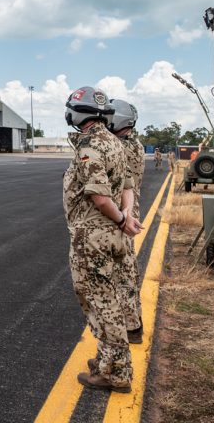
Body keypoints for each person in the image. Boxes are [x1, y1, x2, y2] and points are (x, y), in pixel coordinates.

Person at [63, 86, 141, 393]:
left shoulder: (89, 145)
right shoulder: (114, 142)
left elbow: (97, 195)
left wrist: (122, 219)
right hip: (113, 234)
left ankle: (117, 373)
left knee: (101, 302)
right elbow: (128, 183)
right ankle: (107, 359)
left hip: (93, 236)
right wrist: (127, 215)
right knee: (111, 299)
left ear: (76, 113)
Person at [109, 98, 144, 346]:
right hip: (128, 210)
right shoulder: (132, 143)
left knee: (124, 273)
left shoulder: (123, 147)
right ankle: (132, 325)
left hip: (124, 212)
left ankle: (130, 328)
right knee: (127, 271)